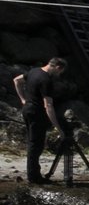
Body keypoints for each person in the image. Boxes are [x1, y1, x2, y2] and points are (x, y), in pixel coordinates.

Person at [13, 56, 67, 185]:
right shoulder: (46, 80)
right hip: (36, 113)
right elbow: (48, 105)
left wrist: (22, 99)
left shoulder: (34, 71)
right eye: (60, 72)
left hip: (27, 109)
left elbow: (16, 80)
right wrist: (58, 127)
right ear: (58, 67)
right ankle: (34, 177)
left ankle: (34, 174)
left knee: (33, 143)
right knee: (35, 145)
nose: (59, 75)